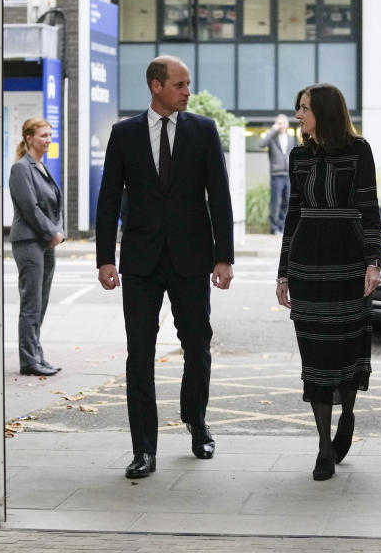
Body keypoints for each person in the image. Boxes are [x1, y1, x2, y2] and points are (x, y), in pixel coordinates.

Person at [95, 55, 234, 479]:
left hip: (192, 259)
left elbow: (220, 196)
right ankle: (144, 450)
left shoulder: (203, 130)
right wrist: (105, 258)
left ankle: (196, 421)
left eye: (188, 84)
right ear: (156, 86)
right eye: (180, 84)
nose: (187, 92)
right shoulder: (124, 134)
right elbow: (108, 200)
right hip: (140, 262)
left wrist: (224, 256)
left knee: (198, 346)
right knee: (140, 354)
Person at [275, 83, 381, 481]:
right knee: (315, 355)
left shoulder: (359, 151)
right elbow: (293, 213)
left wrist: (373, 262)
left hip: (349, 262)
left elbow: (369, 209)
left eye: (304, 108)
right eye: (298, 107)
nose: (299, 114)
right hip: (308, 263)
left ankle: (348, 413)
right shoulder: (298, 155)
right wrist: (283, 272)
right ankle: (322, 445)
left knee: (347, 346)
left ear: (325, 111)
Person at [9, 117, 65, 377]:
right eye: (43, 135)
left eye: (50, 135)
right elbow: (29, 207)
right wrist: (50, 232)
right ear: (29, 138)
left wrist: (58, 230)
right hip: (30, 242)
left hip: (46, 243)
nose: (48, 139)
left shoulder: (42, 167)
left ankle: (36, 356)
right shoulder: (21, 169)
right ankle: (29, 360)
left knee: (40, 303)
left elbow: (55, 204)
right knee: (31, 304)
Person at [258, 114, 295, 234]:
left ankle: (281, 226)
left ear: (287, 124)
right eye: (279, 123)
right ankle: (273, 228)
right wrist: (272, 130)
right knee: (275, 201)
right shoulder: (271, 137)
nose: (282, 125)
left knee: (287, 201)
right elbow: (261, 144)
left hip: (289, 174)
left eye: (284, 123)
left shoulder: (291, 138)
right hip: (276, 174)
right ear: (276, 124)